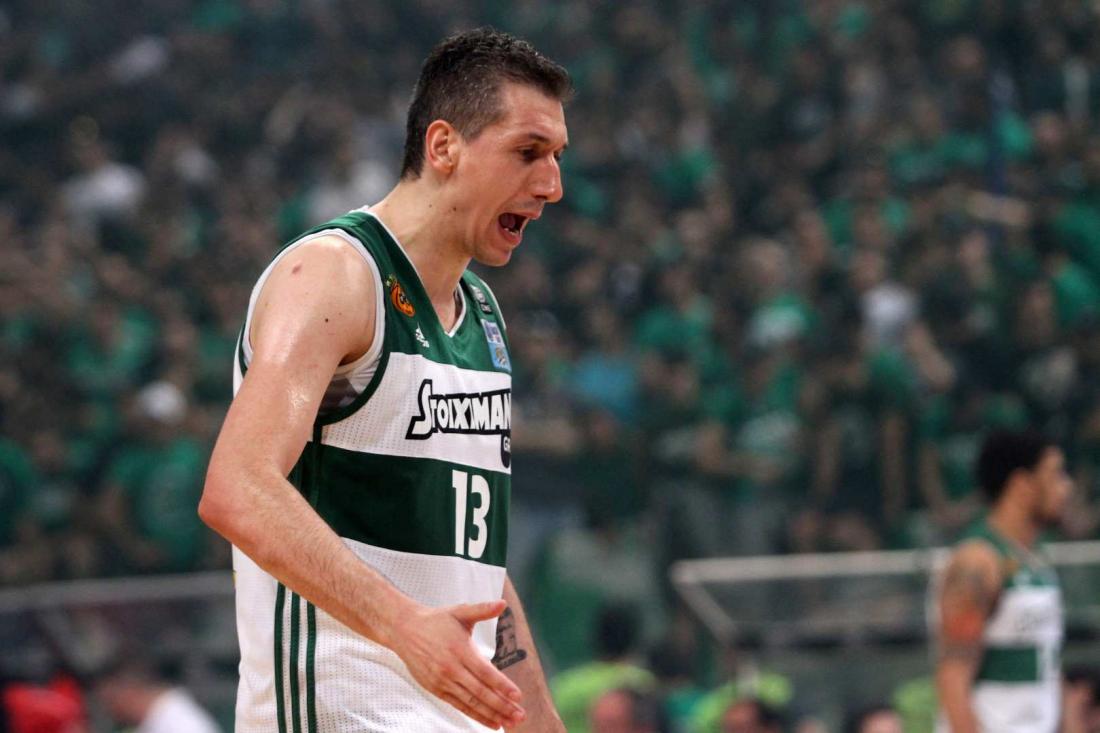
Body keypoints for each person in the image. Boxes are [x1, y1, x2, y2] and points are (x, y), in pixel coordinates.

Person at [198, 27, 571, 732]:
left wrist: (539, 719)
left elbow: (472, 559)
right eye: (528, 152)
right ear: (444, 146)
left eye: (557, 157)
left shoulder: (482, 313)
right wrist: (404, 627)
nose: (552, 186)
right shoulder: (334, 274)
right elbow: (237, 489)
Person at [933, 430, 1071, 733]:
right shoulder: (978, 562)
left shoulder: (1036, 561)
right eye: (1055, 474)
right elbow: (953, 676)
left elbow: (1049, 664)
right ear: (1022, 484)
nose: (1067, 487)